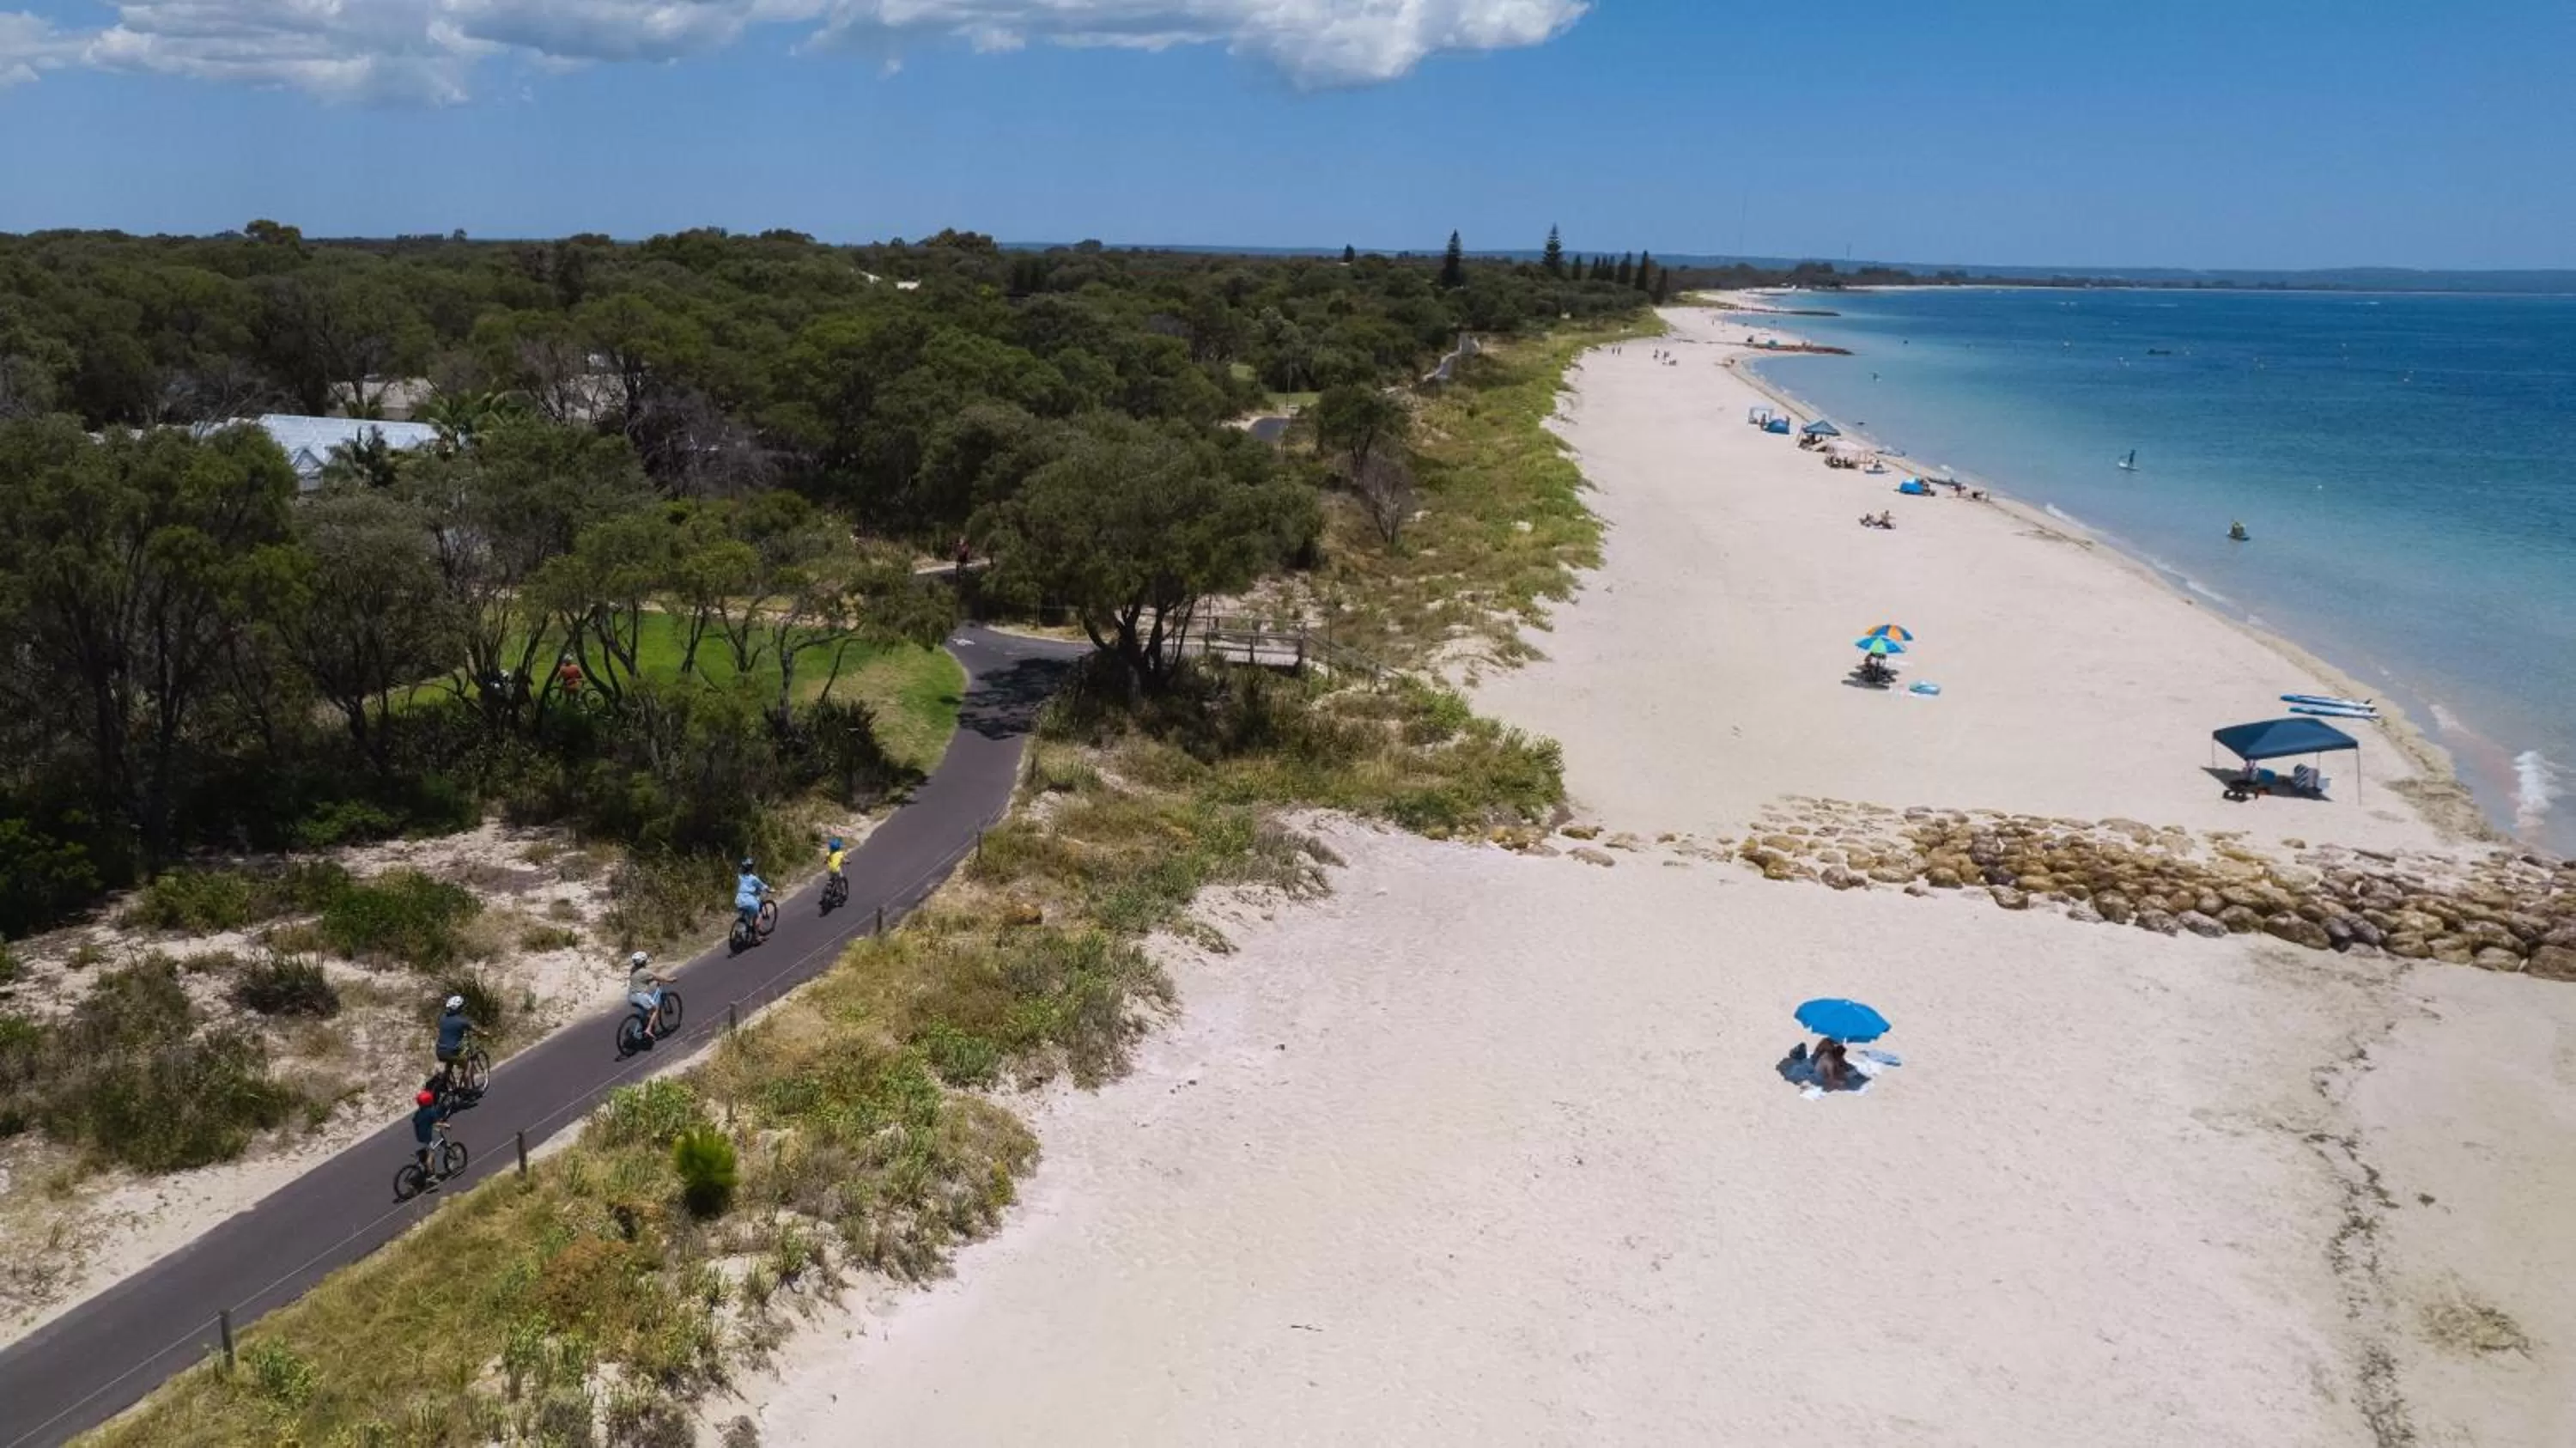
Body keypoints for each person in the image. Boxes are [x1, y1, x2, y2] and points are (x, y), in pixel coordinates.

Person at [433, 995, 475, 1092]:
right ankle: (467, 1090)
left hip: (440, 1051)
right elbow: (475, 1030)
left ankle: (444, 1082)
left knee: (449, 1062)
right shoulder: (462, 1021)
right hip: (452, 1051)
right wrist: (484, 1034)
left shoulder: (442, 1018)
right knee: (468, 1064)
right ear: (459, 1008)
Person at [410, 1087, 451, 1181]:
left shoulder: (418, 1112)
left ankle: (425, 1165)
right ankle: (431, 1176)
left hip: (419, 1135)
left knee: (426, 1151)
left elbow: (415, 1120)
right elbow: (437, 1123)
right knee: (431, 1154)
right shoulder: (431, 1112)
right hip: (427, 1137)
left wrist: (426, 1123)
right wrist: (446, 1125)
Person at [625, 951, 664, 1034]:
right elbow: (659, 977)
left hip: (631, 996)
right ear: (644, 962)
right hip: (640, 996)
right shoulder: (646, 972)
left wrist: (651, 979)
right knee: (655, 1009)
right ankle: (648, 1029)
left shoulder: (633, 969)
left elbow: (641, 979)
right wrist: (670, 980)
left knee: (645, 1010)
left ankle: (643, 1024)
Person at [733, 858, 769, 933]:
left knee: (744, 916)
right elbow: (762, 886)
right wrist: (769, 889)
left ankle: (740, 933)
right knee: (758, 914)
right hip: (749, 900)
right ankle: (756, 937)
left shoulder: (739, 877)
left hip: (739, 900)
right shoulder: (753, 878)